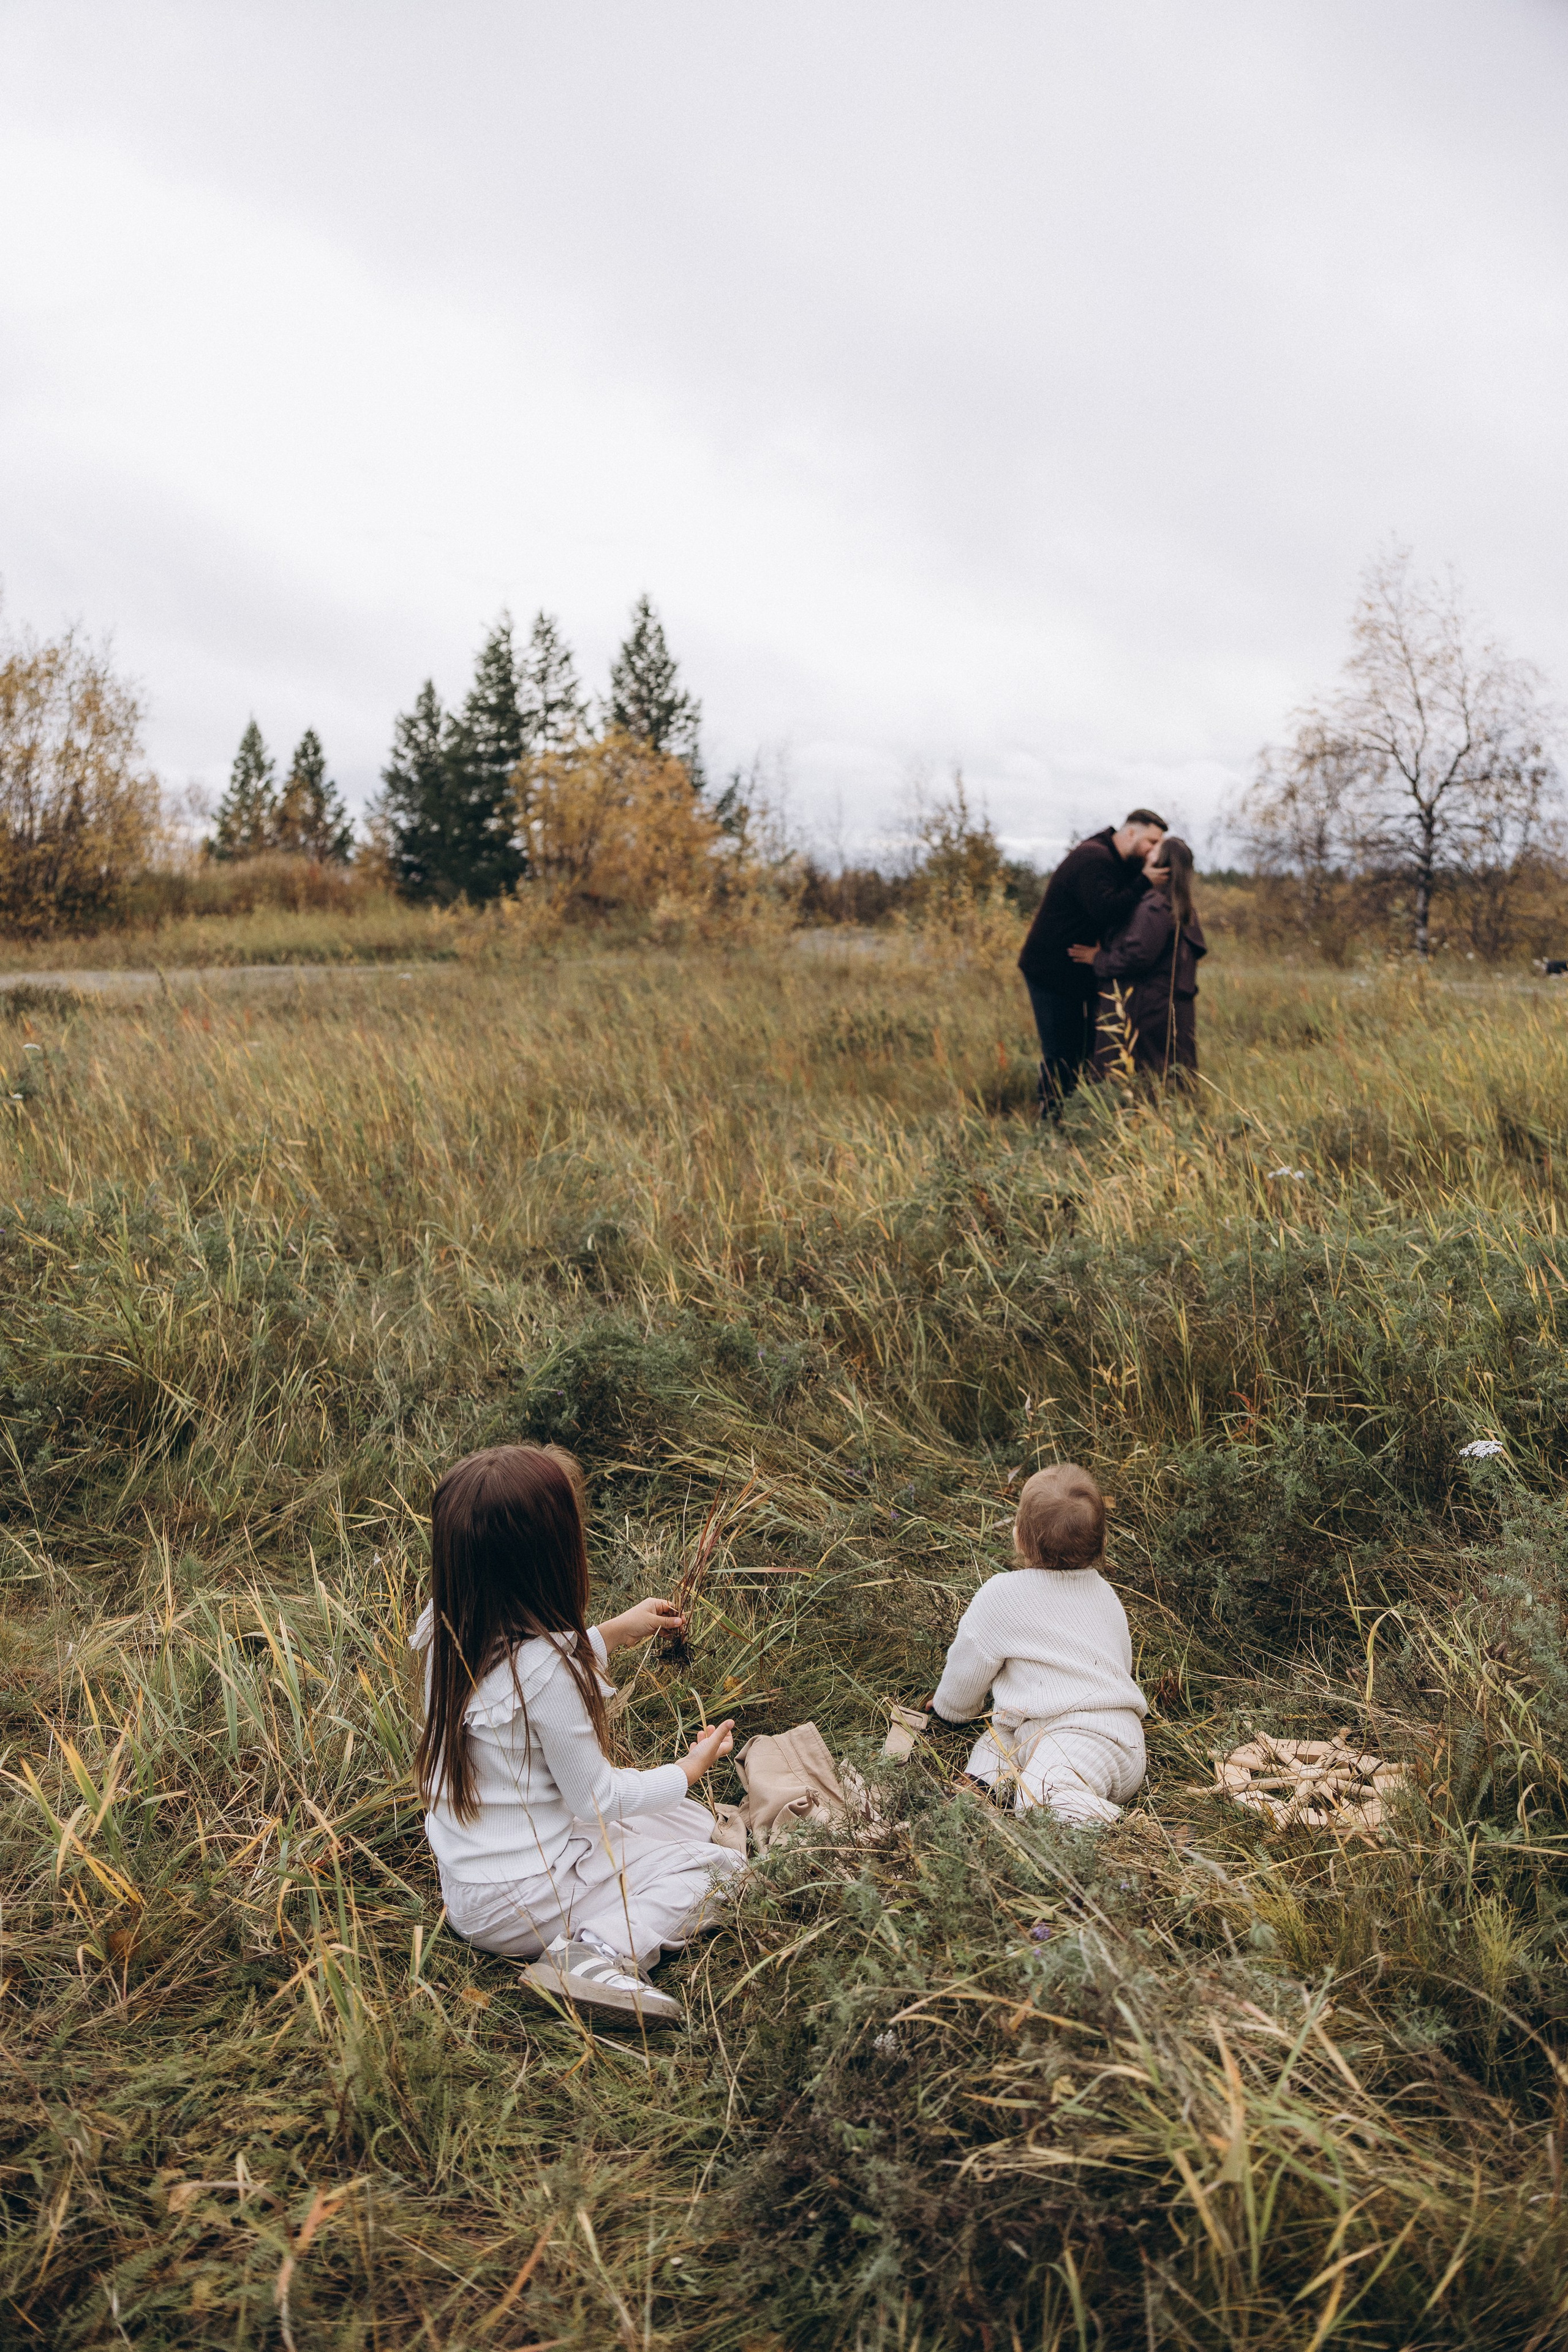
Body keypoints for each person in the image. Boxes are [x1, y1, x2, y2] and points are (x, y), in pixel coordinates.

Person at [412, 1442, 743, 2024]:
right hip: (523, 1899)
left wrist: (612, 1632)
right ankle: (595, 1952)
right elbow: (598, 1801)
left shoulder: (446, 1625)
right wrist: (691, 1770)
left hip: (471, 1887)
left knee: (687, 1823)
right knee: (724, 1870)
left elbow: (514, 1685)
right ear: (552, 1558)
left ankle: (594, 1927)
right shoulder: (548, 1670)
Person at [924, 1464, 1147, 1823]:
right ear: (1103, 1544)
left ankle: (1131, 1831)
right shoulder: (1105, 1595)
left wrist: (951, 1710)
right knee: (998, 1742)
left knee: (1042, 1799)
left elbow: (967, 1667)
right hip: (1084, 1733)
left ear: (1018, 1539)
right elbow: (1121, 1662)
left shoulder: (1001, 1595)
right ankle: (982, 1792)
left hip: (1090, 1739)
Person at [1017, 809, 1167, 1115]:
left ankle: (1074, 1114)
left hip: (1077, 972)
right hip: (1050, 971)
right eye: (1151, 842)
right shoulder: (1094, 858)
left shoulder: (1117, 862)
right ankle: (1052, 1121)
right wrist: (1144, 882)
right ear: (1130, 834)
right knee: (1061, 1052)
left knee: (1085, 1048)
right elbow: (1107, 910)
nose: (1154, 850)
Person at [1090, 835, 1206, 1083]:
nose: (1148, 853)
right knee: (1171, 1075)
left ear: (1162, 864)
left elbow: (1136, 957)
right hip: (1172, 1009)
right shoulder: (1183, 908)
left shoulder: (1155, 907)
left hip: (1151, 1009)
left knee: (1147, 1075)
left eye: (1155, 851)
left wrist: (1097, 959)